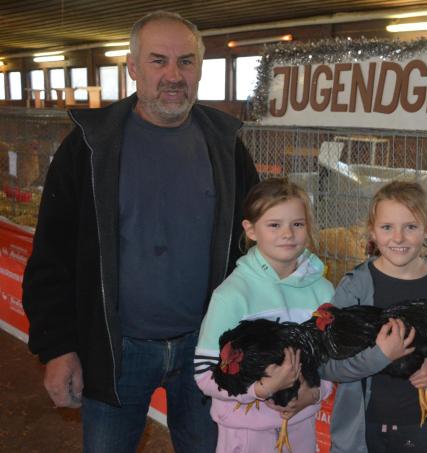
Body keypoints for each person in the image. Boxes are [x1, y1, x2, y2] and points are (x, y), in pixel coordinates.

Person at [21, 10, 259, 453]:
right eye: (158, 61)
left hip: (207, 349)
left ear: (200, 69)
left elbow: (256, 247)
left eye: (186, 62)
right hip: (117, 351)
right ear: (132, 67)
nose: (174, 75)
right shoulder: (89, 148)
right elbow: (51, 256)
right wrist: (57, 347)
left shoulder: (226, 147)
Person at [321, 180, 427, 453]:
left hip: (420, 428)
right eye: (387, 227)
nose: (398, 238)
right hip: (360, 431)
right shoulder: (355, 286)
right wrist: (379, 355)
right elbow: (327, 364)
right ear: (372, 231)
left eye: (410, 227)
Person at [194, 178, 334, 453]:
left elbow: (334, 358)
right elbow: (203, 373)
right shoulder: (232, 295)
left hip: (302, 424)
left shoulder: (324, 291)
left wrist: (315, 393)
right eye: (274, 225)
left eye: (297, 224)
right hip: (246, 431)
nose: (288, 234)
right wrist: (260, 389)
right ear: (251, 230)